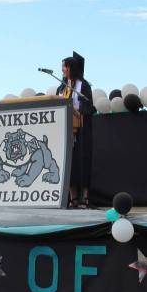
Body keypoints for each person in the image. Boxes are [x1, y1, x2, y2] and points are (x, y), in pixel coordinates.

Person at [56, 52, 94, 207]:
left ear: (71, 68)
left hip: (82, 129)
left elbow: (88, 106)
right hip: (65, 130)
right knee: (69, 163)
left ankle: (85, 197)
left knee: (82, 161)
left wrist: (81, 111)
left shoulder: (82, 86)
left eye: (64, 67)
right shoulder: (61, 87)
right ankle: (73, 197)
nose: (62, 70)